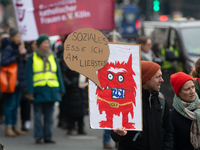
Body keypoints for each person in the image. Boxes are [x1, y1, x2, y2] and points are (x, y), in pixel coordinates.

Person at [111, 61, 173, 150]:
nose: (162, 80)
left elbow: (168, 132)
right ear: (146, 79)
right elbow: (115, 135)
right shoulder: (125, 101)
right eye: (158, 77)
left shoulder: (161, 100)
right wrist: (120, 134)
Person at [26, 34, 65, 144]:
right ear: (39, 44)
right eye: (45, 43)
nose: (47, 45)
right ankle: (38, 136)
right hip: (38, 90)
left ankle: (48, 136)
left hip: (51, 90)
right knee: (38, 116)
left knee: (49, 116)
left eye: (48, 43)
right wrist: (30, 91)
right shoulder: (32, 57)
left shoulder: (53, 56)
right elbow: (29, 75)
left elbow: (58, 73)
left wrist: (61, 89)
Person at [1, 27, 26, 137]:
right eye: (17, 36)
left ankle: (14, 126)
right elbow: (3, 62)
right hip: (10, 81)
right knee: (10, 105)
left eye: (20, 37)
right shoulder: (8, 48)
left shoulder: (17, 48)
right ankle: (9, 126)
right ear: (12, 37)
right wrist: (15, 57)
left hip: (17, 80)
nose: (19, 39)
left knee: (16, 105)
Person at [170, 72, 200, 150]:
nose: (192, 91)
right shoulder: (172, 116)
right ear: (178, 92)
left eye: (193, 87)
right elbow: (172, 143)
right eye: (187, 89)